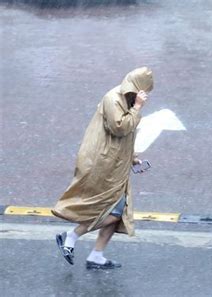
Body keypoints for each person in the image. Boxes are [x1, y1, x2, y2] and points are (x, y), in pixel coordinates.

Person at [52, 67, 154, 269]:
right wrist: (138, 108)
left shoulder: (128, 99)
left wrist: (132, 158)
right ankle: (71, 237)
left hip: (116, 163)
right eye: (144, 91)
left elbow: (125, 136)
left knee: (118, 210)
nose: (145, 96)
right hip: (103, 163)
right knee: (112, 211)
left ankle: (96, 255)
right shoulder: (113, 99)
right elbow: (120, 128)